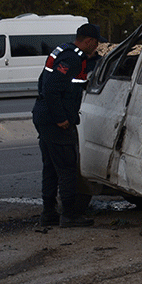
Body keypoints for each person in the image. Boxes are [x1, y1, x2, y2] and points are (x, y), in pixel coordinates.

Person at [32, 23, 106, 227]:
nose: (97, 48)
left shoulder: (63, 50)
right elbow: (52, 88)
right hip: (54, 121)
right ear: (89, 41)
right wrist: (61, 118)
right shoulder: (72, 58)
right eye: (97, 43)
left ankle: (49, 213)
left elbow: (45, 82)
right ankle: (70, 214)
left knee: (51, 167)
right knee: (67, 168)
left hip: (43, 115)